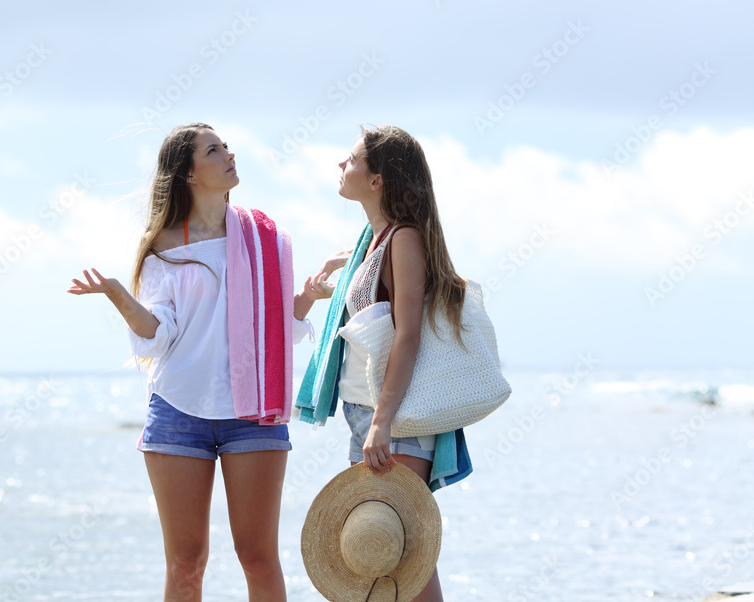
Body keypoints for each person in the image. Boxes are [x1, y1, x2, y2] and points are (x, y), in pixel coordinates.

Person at [67, 122, 327, 602]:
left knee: (259, 558)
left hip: (252, 415)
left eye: (226, 145)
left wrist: (307, 297)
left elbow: (274, 327)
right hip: (178, 413)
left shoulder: (262, 236)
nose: (229, 154)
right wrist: (118, 296)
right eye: (213, 150)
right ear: (188, 173)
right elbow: (157, 334)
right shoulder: (162, 245)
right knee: (186, 564)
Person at [297, 125, 474, 602]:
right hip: (369, 413)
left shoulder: (403, 239)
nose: (341, 165)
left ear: (377, 180)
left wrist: (382, 422)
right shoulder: (372, 241)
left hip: (394, 416)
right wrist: (333, 285)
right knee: (383, 563)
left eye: (351, 159)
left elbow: (408, 334)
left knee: (404, 559)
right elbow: (375, 317)